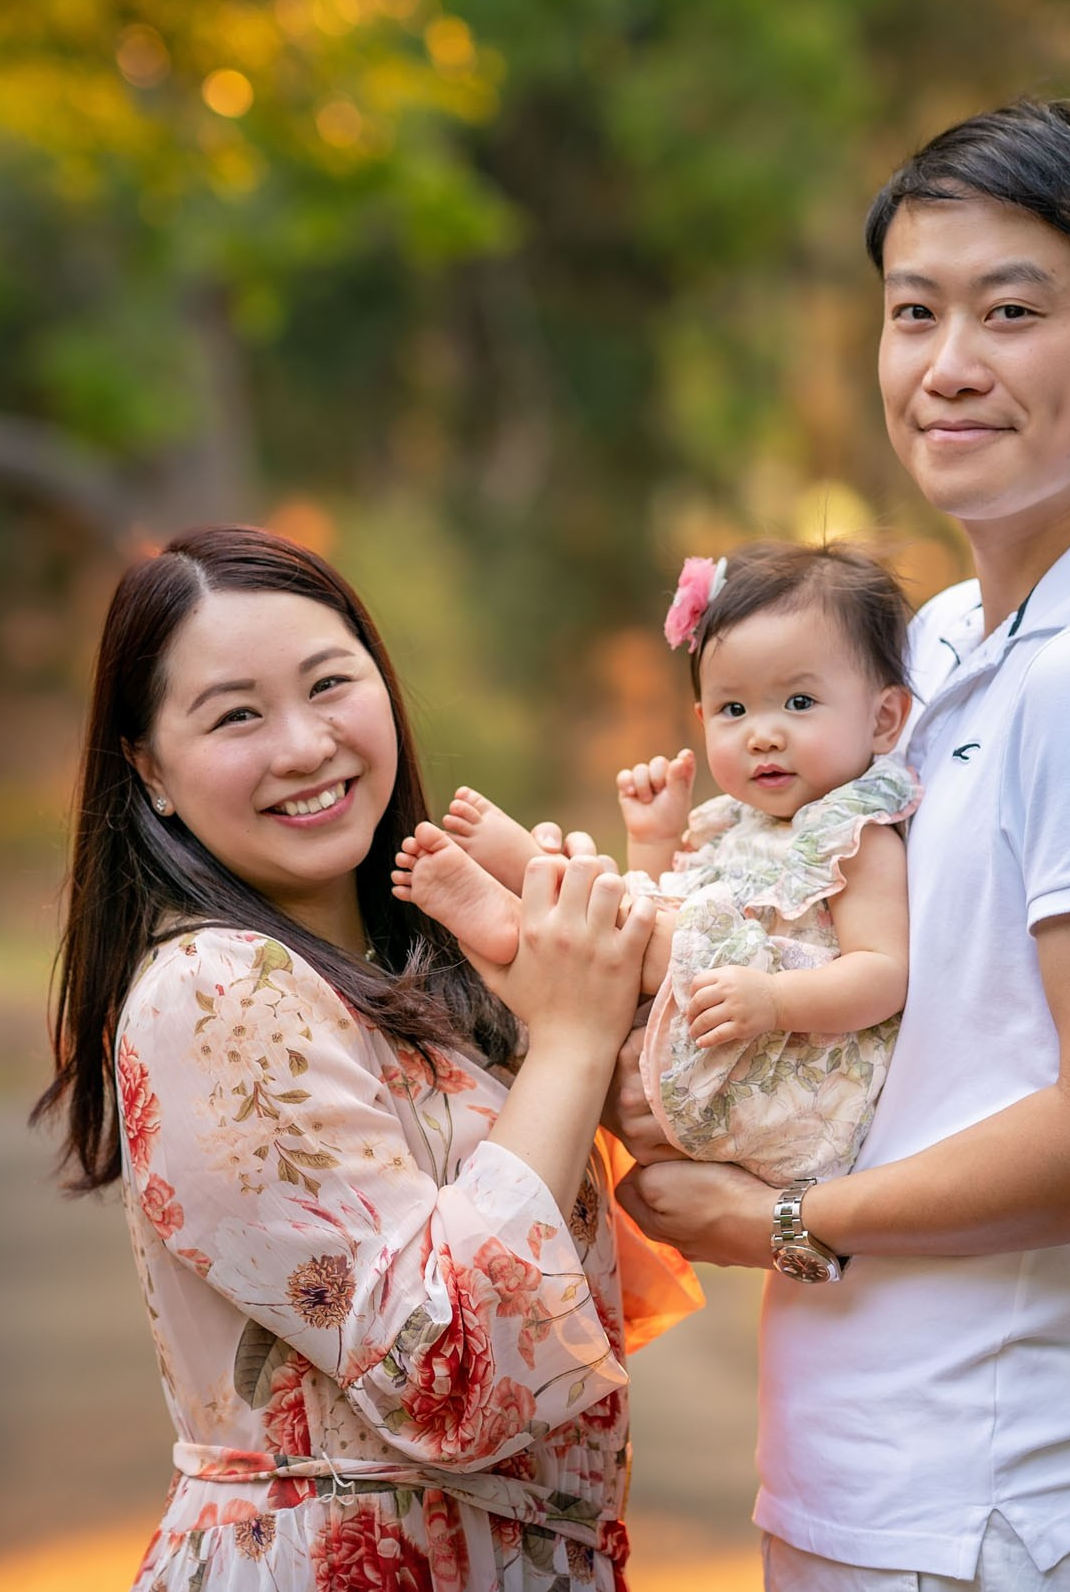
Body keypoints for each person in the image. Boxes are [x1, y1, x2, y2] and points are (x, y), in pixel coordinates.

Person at [618, 98, 1070, 1590]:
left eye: (1012, 310)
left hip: (1009, 1520)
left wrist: (786, 1218)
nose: (947, 365)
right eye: (915, 311)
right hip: (897, 1493)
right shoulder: (942, 641)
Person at [36, 526, 685, 1592]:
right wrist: (571, 1038)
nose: (302, 744)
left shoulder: (423, 972)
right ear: (148, 768)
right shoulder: (217, 989)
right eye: (236, 713)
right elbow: (447, 1376)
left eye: (330, 683)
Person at [392, 539, 918, 1186]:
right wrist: (657, 835)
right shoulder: (737, 822)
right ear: (701, 718)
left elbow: (883, 971)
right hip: (702, 1028)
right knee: (646, 919)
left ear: (884, 717)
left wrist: (776, 999)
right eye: (734, 709)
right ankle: (537, 910)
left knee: (654, 933)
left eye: (799, 702)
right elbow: (676, 893)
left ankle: (530, 895)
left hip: (787, 1066)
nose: (762, 732)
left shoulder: (856, 837)